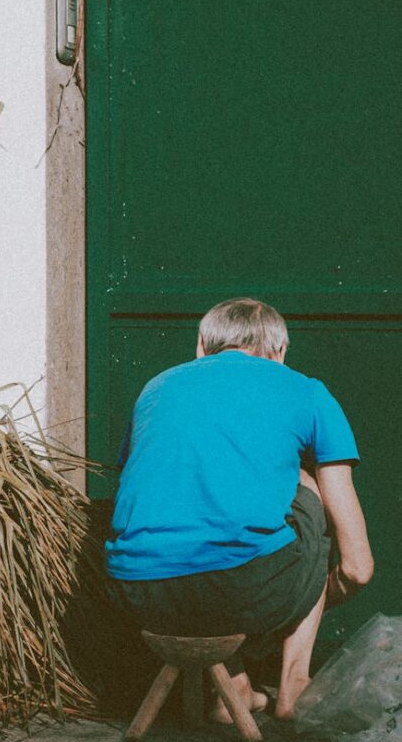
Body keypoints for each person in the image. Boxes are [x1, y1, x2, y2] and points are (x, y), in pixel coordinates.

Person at [107, 297, 374, 720]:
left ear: (201, 346)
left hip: (138, 593)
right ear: (280, 352)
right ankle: (294, 683)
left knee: (207, 519)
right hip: (241, 592)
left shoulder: (156, 388)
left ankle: (233, 690)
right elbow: (358, 568)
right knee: (304, 491)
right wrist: (325, 586)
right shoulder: (306, 390)